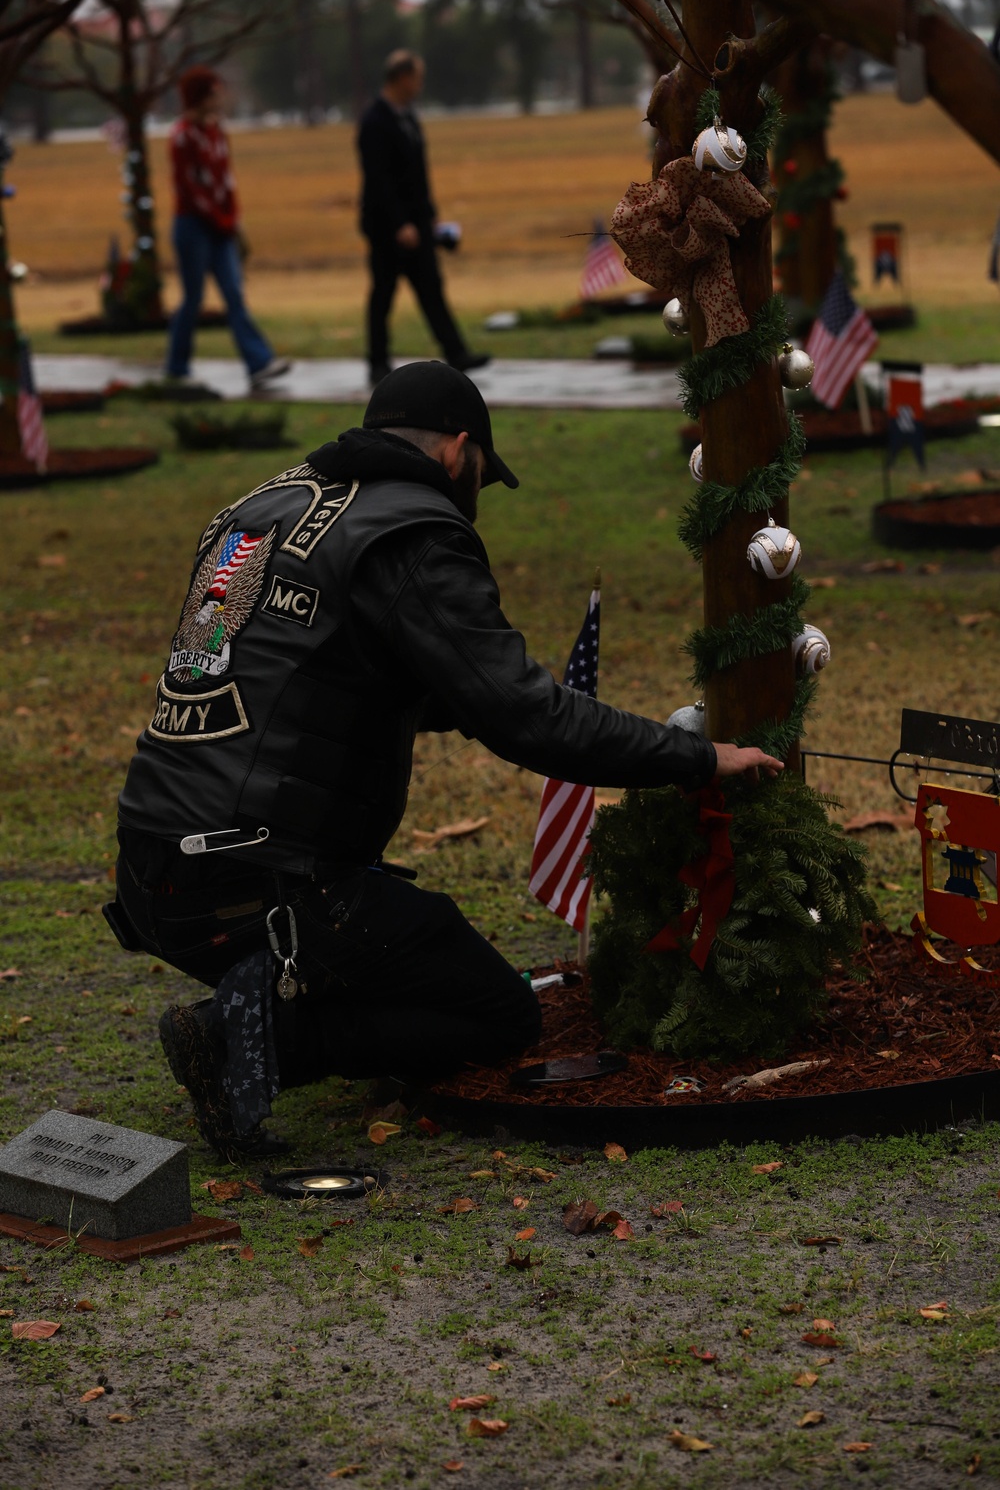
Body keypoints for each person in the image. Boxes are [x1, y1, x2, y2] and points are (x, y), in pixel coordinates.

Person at [106, 362, 782, 1159]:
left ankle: (269, 999)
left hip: (154, 873)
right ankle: (246, 1037)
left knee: (410, 947)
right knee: (496, 1014)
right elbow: (528, 719)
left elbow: (285, 678)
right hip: (265, 888)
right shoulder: (411, 529)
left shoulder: (259, 511)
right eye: (481, 479)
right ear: (460, 451)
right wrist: (697, 758)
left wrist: (459, 698)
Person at [358, 49, 490, 387]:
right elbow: (379, 180)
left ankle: (457, 353)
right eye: (417, 78)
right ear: (402, 78)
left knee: (432, 289)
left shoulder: (408, 118)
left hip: (418, 224)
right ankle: (376, 362)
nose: (420, 85)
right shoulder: (374, 122)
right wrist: (400, 223)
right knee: (383, 294)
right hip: (389, 229)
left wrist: (429, 217)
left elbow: (418, 175)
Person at [166, 65, 291, 391]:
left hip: (221, 228)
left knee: (234, 294)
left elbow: (226, 180)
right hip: (194, 227)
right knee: (193, 298)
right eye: (214, 91)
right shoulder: (182, 137)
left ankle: (259, 363)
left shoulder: (216, 132)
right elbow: (191, 190)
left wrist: (233, 220)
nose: (220, 97)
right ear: (200, 96)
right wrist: (220, 220)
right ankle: (177, 366)